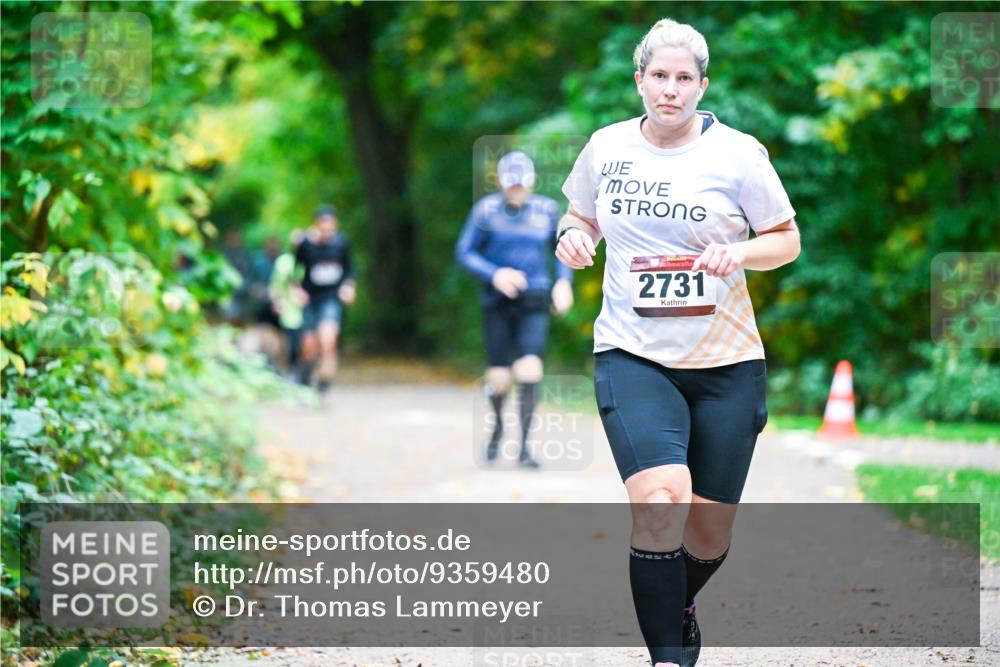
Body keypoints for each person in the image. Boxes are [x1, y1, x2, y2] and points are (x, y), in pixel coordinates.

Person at [556, 18, 800, 667]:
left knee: (709, 532)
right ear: (639, 80)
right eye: (659, 76)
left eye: (684, 78)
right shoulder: (606, 147)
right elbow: (578, 216)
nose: (671, 89)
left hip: (727, 362)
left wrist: (738, 252)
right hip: (632, 353)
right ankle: (667, 656)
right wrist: (572, 237)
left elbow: (786, 240)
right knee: (661, 501)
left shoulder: (739, 155)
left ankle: (676, 603)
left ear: (702, 86)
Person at [456, 151, 575, 469]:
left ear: (531, 182)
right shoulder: (485, 211)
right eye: (512, 185)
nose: (517, 190)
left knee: (530, 368)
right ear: (502, 183)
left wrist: (563, 283)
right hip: (496, 301)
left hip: (534, 298)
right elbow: (464, 252)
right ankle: (497, 427)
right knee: (499, 375)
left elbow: (562, 251)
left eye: (522, 184)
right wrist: (494, 274)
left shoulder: (547, 210)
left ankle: (524, 447)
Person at [294, 205, 356, 391]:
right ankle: (304, 375)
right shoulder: (306, 244)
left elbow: (350, 268)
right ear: (316, 224)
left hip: (331, 298)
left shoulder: (341, 243)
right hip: (311, 299)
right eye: (323, 224)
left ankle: (325, 380)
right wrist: (297, 289)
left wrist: (349, 286)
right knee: (309, 344)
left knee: (328, 339)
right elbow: (295, 269)